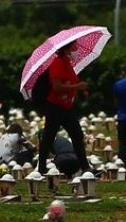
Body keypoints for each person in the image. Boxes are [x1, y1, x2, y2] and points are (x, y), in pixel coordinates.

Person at [36, 42, 91, 179]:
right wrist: (78, 86)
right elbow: (57, 87)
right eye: (74, 48)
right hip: (55, 106)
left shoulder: (68, 64)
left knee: (77, 135)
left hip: (67, 106)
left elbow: (72, 82)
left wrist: (81, 90)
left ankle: (85, 167)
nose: (76, 50)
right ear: (67, 49)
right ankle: (41, 168)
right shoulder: (57, 63)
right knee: (49, 136)